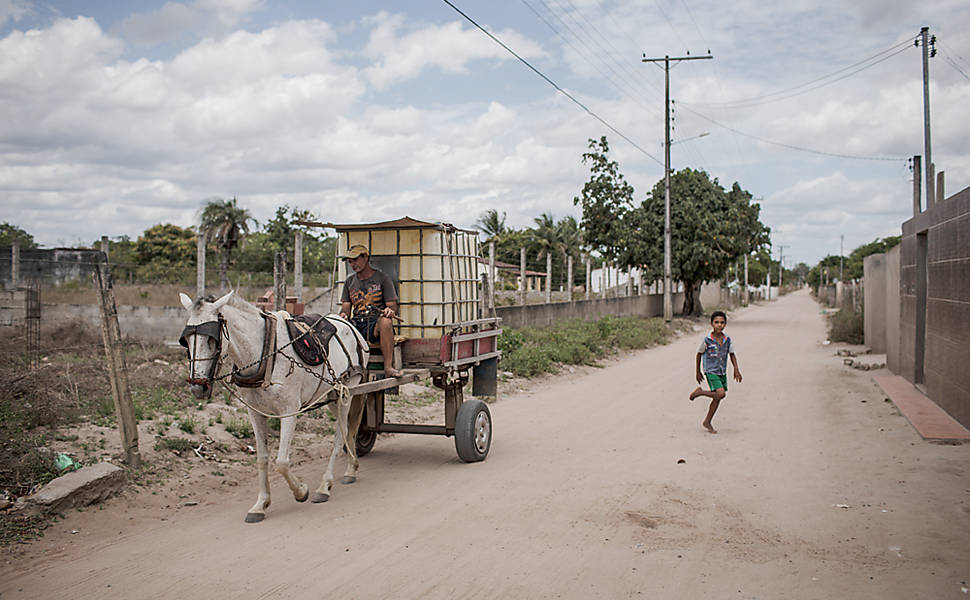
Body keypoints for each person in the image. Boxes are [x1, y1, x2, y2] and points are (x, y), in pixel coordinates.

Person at [337, 244, 403, 377]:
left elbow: (392, 306)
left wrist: (389, 311)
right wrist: (343, 315)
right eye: (350, 261)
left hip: (375, 325)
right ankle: (341, 370)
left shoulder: (382, 279)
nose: (353, 264)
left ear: (366, 257)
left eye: (355, 260)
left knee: (386, 322)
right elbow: (345, 308)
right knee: (337, 324)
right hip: (357, 324)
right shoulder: (349, 282)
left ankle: (388, 367)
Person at [689, 310, 742, 434]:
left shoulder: (727, 340)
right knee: (721, 394)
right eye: (716, 322)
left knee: (717, 398)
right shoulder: (707, 340)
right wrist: (698, 371)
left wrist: (736, 369)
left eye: (722, 323)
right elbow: (699, 354)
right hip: (710, 371)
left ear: (725, 324)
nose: (719, 325)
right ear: (711, 324)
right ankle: (700, 392)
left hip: (721, 371)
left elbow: (732, 354)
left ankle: (707, 421)